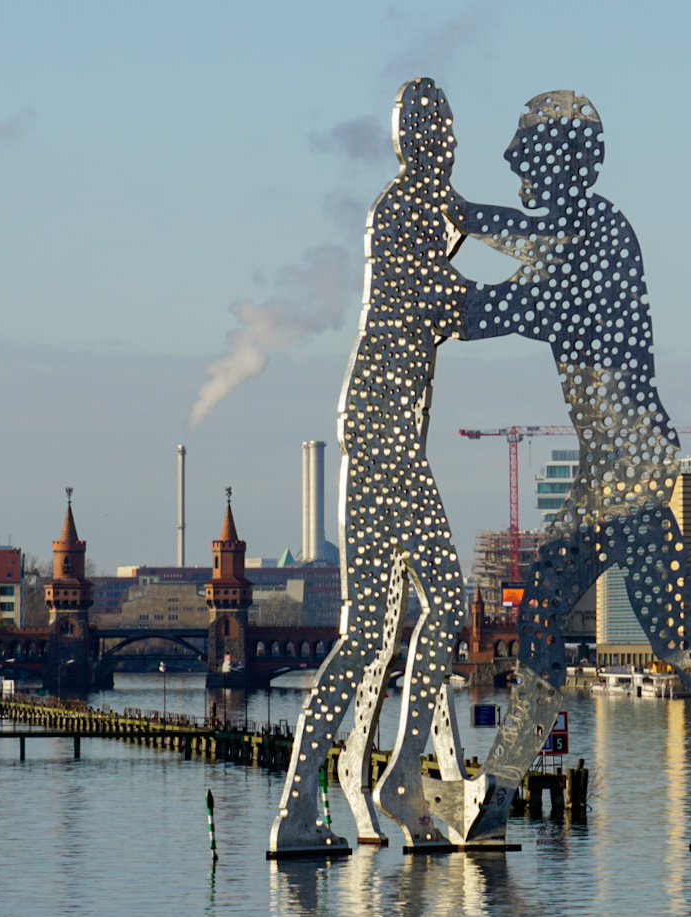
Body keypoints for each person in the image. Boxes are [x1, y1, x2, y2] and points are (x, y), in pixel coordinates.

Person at [449, 91, 691, 847]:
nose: (514, 162)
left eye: (527, 150)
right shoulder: (579, 229)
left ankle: (495, 800)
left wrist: (434, 294)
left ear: (566, 161)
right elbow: (523, 238)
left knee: (569, 623)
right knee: (651, 633)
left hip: (628, 473)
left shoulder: (600, 235)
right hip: (611, 470)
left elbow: (518, 305)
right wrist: (462, 213)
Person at [268, 77, 470, 857]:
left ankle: (299, 808)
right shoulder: (405, 208)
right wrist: (534, 299)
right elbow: (450, 305)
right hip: (386, 436)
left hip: (377, 431)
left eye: (444, 126)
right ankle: (399, 779)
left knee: (371, 634)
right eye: (429, 128)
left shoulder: (422, 207)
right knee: (443, 605)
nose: (441, 140)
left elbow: (469, 238)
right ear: (410, 139)